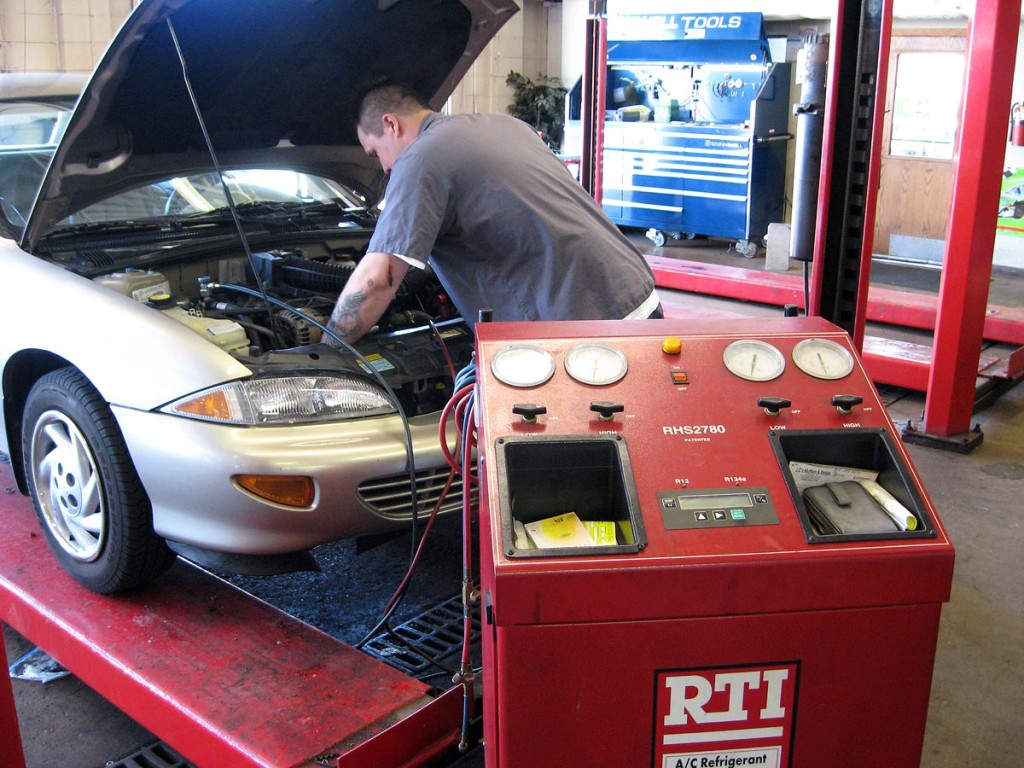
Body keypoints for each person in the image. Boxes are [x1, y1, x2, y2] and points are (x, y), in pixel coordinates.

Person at [322, 83, 662, 345]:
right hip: (633, 293)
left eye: (374, 152)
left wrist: (329, 347)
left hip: (580, 321)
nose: (382, 167)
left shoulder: (421, 158)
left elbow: (376, 279)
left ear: (391, 124)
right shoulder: (504, 125)